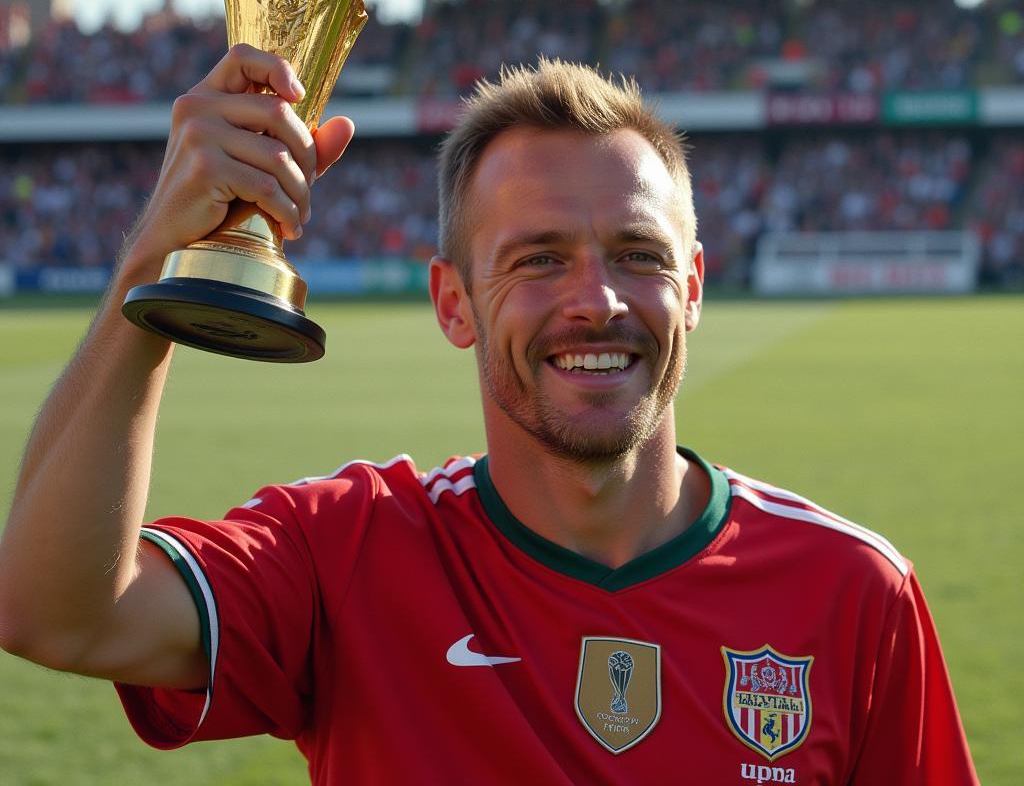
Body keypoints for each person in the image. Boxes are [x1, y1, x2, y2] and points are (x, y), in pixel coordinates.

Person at [0, 46, 978, 784]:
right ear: (452, 302)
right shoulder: (347, 555)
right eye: (538, 257)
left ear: (692, 289)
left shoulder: (855, 592)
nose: (594, 299)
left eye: (637, 253)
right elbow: (59, 613)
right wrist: (154, 260)